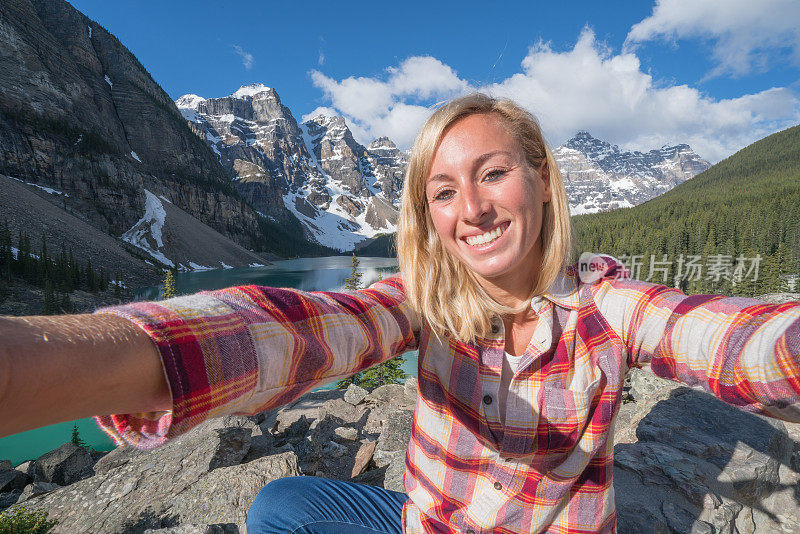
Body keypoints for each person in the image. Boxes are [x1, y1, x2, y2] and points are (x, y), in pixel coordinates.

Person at [1, 93, 799, 533]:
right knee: (283, 505)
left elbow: (730, 339)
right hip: (429, 524)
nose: (473, 210)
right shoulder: (422, 303)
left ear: (544, 179)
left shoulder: (609, 308)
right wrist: (106, 360)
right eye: (444, 192)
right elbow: (306, 331)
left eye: (493, 174)